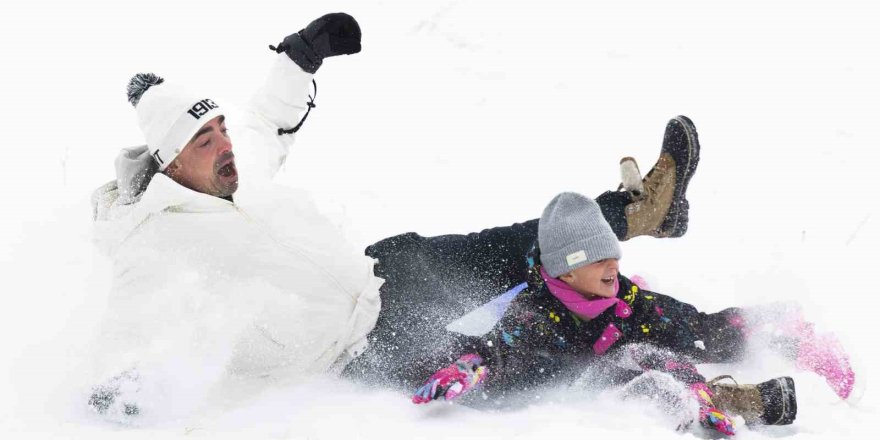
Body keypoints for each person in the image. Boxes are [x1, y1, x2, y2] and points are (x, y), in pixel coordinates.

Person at [88, 13, 384, 420]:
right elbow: (127, 325)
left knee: (503, 243)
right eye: (205, 141)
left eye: (221, 127)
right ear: (172, 164)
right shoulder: (153, 238)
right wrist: (119, 383)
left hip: (380, 277)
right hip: (351, 350)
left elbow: (265, 121)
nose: (225, 145)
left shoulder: (232, 166)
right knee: (449, 340)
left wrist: (299, 58)